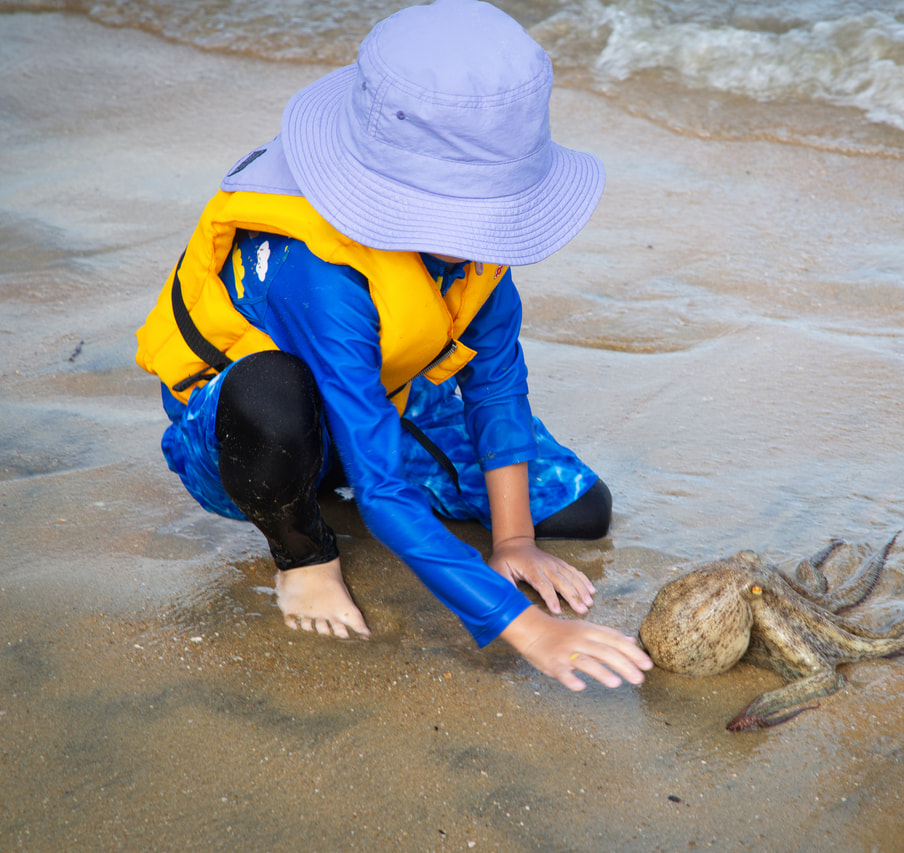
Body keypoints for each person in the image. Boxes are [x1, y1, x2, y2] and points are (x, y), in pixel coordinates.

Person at [134, 0, 652, 692]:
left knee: (582, 510)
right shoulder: (321, 272)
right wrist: (526, 627)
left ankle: (396, 507)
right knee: (273, 396)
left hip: (378, 395)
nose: (494, 232)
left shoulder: (473, 255)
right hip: (250, 432)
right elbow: (380, 489)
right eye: (479, 212)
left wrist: (514, 541)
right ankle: (304, 552)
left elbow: (496, 384)